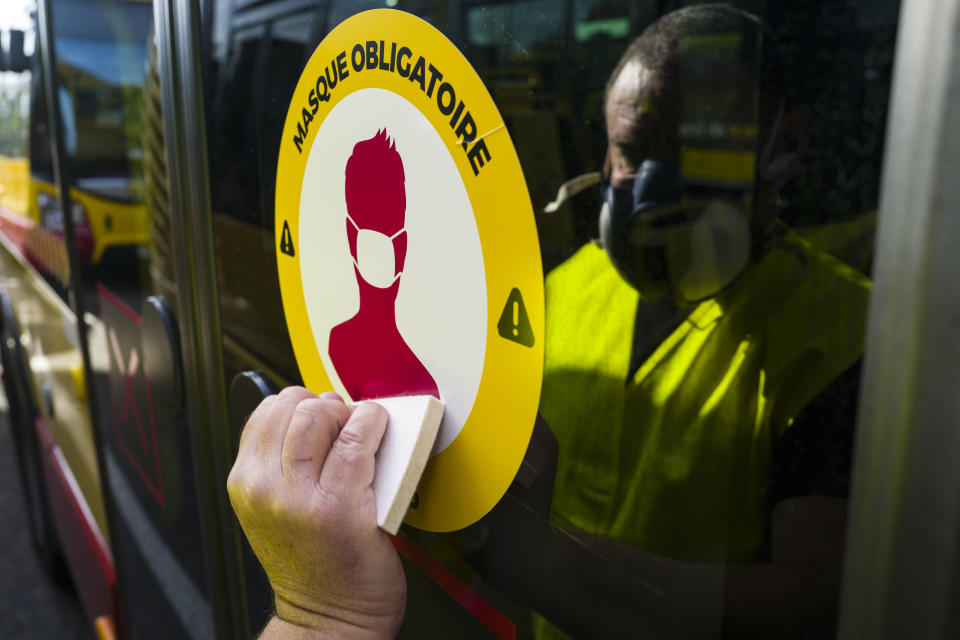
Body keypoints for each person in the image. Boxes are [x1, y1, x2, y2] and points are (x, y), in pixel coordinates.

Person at [229, 5, 870, 639]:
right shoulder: (552, 297)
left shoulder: (848, 340)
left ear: (786, 145)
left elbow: (815, 605)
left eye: (694, 151)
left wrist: (534, 561)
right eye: (630, 152)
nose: (649, 190)